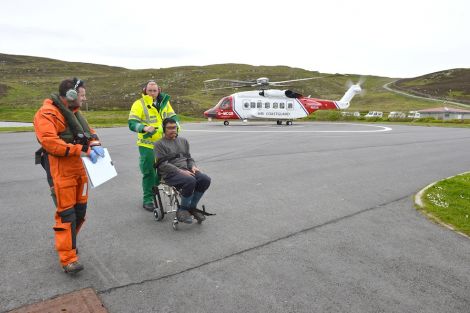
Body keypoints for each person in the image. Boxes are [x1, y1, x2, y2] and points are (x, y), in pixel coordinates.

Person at [34, 78, 106, 274]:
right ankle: (68, 259)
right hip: (61, 171)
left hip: (80, 171)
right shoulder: (46, 114)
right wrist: (82, 150)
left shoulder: (75, 114)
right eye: (82, 95)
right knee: (67, 215)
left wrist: (95, 145)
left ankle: (68, 242)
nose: (85, 98)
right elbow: (50, 143)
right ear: (71, 96)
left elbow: (90, 133)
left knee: (80, 213)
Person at [128, 80, 179, 211]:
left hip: (163, 144)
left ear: (159, 90)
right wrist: (144, 128)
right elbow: (132, 123)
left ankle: (154, 190)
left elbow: (173, 117)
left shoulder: (165, 103)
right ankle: (148, 199)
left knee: (164, 170)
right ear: (145, 90)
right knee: (149, 172)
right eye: (149, 91)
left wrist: (176, 127)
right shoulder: (139, 104)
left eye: (154, 91)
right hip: (147, 145)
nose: (152, 93)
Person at [154, 118, 211, 223]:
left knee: (205, 179)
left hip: (187, 170)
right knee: (190, 180)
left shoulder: (183, 141)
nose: (173, 130)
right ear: (164, 129)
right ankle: (183, 210)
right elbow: (162, 164)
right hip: (170, 173)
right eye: (169, 128)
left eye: (174, 127)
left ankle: (192, 207)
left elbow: (189, 158)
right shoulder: (159, 144)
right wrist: (180, 171)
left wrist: (193, 166)